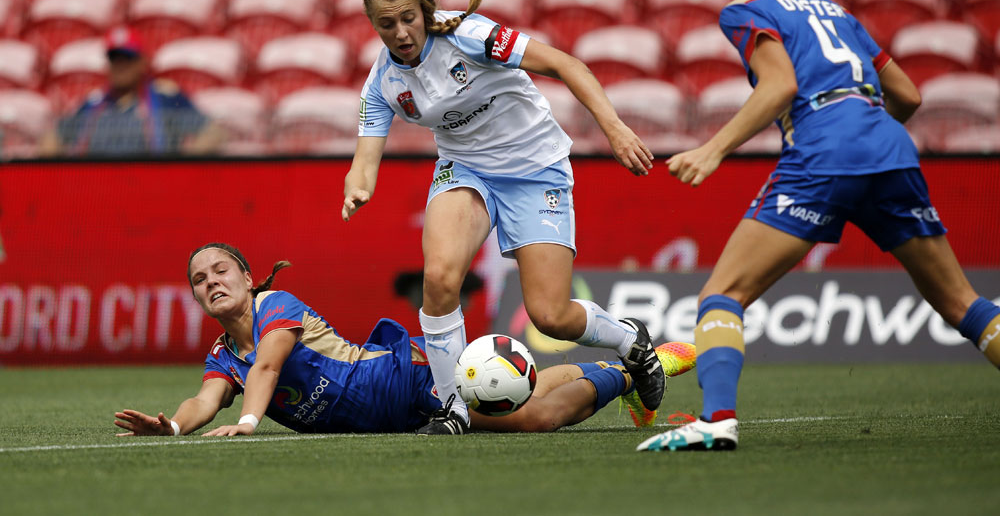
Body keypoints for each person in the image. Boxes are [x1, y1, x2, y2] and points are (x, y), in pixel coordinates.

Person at [637, 0, 1000, 452]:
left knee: (722, 296)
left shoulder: (744, 8)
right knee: (962, 302)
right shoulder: (835, 8)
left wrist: (711, 149)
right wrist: (866, 135)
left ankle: (716, 421)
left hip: (824, 147)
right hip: (889, 146)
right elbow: (909, 97)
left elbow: (781, 84)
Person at [342, 0, 664, 435]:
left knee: (551, 315)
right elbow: (364, 161)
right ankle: (453, 407)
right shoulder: (382, 83)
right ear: (374, 25)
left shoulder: (469, 36)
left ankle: (630, 341)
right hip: (466, 170)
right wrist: (357, 187)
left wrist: (614, 130)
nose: (401, 33)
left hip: (536, 168)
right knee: (439, 277)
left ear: (423, 12)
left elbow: (563, 63)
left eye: (408, 19)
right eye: (387, 25)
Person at [113, 243, 694, 438]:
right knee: (526, 395)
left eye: (220, 271)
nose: (210, 282)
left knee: (529, 422)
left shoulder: (276, 308)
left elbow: (267, 369)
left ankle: (634, 371)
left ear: (247, 276)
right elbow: (203, 401)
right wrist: (171, 426)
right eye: (199, 280)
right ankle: (613, 373)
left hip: (408, 375)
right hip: (394, 418)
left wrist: (247, 424)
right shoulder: (222, 355)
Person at [39, 25, 226, 157]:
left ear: (142, 62)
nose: (120, 66)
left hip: (151, 192)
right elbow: (53, 137)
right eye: (115, 60)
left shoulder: (164, 98)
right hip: (97, 194)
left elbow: (213, 131)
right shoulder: (94, 103)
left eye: (127, 59)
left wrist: (179, 169)